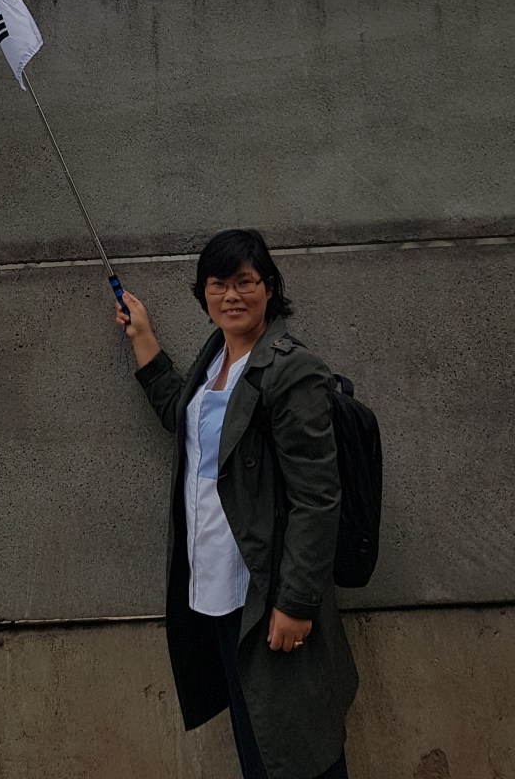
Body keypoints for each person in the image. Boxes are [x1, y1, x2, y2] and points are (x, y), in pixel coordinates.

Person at [115, 228, 358, 779]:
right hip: (215, 588)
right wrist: (143, 337)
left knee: (296, 748)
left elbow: (318, 497)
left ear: (268, 288)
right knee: (259, 746)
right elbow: (182, 416)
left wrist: (295, 602)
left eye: (245, 282)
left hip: (265, 593)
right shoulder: (214, 362)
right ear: (203, 295)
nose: (232, 295)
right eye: (218, 284)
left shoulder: (292, 369)